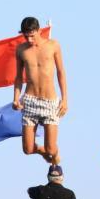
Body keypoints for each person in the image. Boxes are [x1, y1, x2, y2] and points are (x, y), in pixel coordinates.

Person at [13, 17, 68, 165]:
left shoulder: (53, 45)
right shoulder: (21, 50)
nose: (29, 39)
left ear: (39, 31)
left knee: (51, 149)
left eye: (32, 35)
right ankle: (43, 152)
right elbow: (18, 77)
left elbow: (61, 72)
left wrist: (65, 99)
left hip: (50, 101)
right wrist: (16, 98)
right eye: (26, 36)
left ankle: (53, 155)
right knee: (28, 149)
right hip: (30, 101)